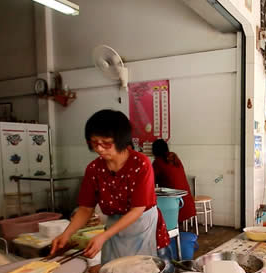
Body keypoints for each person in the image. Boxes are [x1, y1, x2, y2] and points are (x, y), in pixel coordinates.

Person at [51, 110, 170, 263]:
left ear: (121, 140)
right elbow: (85, 209)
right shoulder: (94, 169)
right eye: (94, 143)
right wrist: (66, 234)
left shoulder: (141, 164)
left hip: (142, 226)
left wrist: (104, 235)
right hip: (115, 228)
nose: (99, 149)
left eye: (106, 143)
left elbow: (138, 210)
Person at [152, 139, 196, 223]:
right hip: (185, 200)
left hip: (172, 202)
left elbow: (150, 180)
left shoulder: (158, 162)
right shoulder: (175, 159)